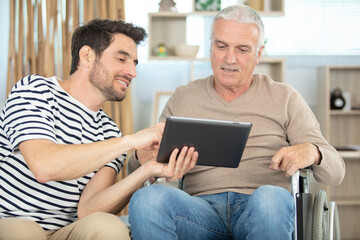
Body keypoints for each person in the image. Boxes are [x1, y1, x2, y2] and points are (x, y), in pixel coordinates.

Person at [128, 4, 346, 240]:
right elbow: (141, 170)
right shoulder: (183, 97)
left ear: (258, 54)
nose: (229, 58)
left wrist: (314, 152)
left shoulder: (285, 97)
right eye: (221, 46)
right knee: (147, 200)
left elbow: (336, 172)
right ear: (211, 46)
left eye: (242, 49)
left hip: (262, 208)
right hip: (199, 212)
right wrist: (141, 159)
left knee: (271, 199)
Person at [0, 19, 198, 240]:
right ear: (87, 56)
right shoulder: (35, 91)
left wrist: (148, 170)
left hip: (65, 232)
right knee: (24, 233)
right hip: (11, 222)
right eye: (121, 59)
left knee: (108, 226)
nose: (132, 72)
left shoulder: (109, 132)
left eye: (134, 63)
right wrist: (129, 141)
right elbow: (44, 166)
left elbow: (89, 210)